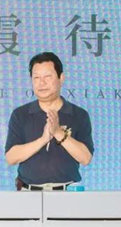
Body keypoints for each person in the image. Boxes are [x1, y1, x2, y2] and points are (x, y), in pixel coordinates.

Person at [5, 52, 93, 190]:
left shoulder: (79, 114)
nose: (42, 83)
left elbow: (85, 158)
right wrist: (43, 140)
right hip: (28, 193)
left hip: (67, 193)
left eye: (47, 76)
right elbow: (11, 158)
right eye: (36, 78)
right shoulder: (20, 114)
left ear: (61, 78)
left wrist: (58, 132)